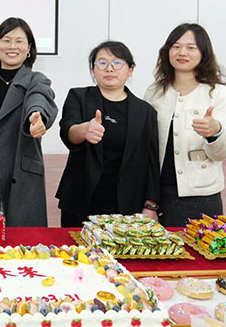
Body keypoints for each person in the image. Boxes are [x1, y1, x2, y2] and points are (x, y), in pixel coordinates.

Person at [56, 41, 160, 228]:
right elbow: (68, 131)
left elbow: (151, 161)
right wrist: (84, 130)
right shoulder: (78, 97)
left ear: (130, 69)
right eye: (102, 63)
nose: (109, 68)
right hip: (81, 199)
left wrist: (150, 204)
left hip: (128, 203)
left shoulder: (146, 112)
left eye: (117, 63)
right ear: (93, 69)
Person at [144, 23, 226, 227]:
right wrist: (149, 200)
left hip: (201, 195)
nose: (182, 52)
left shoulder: (219, 94)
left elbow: (223, 153)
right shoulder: (155, 92)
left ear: (204, 53)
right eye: (176, 46)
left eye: (191, 47)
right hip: (158, 194)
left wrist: (215, 133)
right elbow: (146, 148)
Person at [0, 17, 57, 226]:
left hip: (21, 171)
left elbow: (40, 99)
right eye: (6, 40)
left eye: (19, 41)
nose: (12, 46)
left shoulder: (37, 80)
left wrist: (37, 116)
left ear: (29, 49)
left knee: (25, 239)